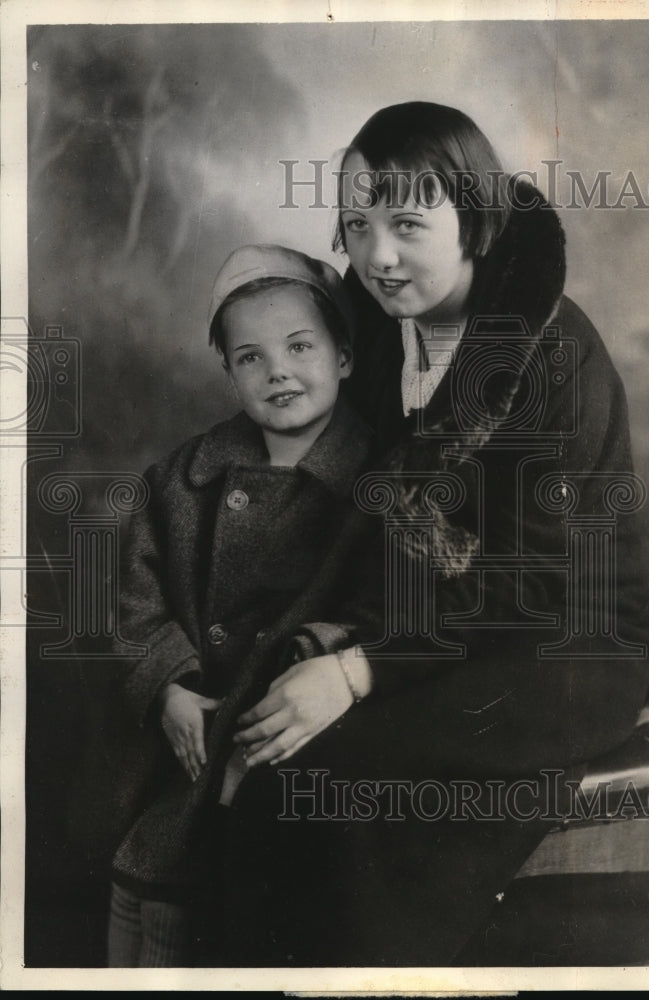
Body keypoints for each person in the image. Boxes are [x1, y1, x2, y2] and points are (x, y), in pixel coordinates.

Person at [219, 103, 649, 967]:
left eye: (406, 223)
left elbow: (534, 587)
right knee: (268, 761)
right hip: (432, 629)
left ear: (475, 219)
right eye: (355, 225)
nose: (376, 255)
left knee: (343, 792)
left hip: (565, 643)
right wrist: (332, 632)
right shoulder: (377, 324)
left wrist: (358, 672)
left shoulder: (549, 355)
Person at [105, 244, 375, 966]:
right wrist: (166, 684)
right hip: (184, 741)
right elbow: (137, 599)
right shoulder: (181, 480)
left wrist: (316, 649)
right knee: (143, 898)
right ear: (227, 371)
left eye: (298, 346)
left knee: (242, 922)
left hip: (293, 748)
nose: (276, 370)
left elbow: (386, 609)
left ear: (343, 356)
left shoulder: (382, 483)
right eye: (249, 357)